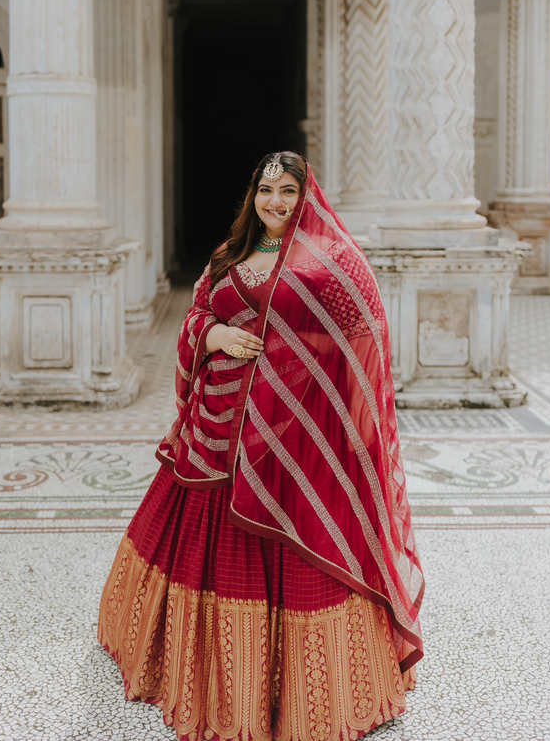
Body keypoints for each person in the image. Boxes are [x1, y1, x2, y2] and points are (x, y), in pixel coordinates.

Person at [98, 151, 424, 741]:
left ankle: (291, 689)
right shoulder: (230, 255)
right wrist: (214, 332)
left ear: (308, 197)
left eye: (288, 191)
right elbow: (196, 312)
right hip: (214, 436)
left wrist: (316, 396)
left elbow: (362, 338)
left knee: (294, 547)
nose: (275, 202)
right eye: (266, 190)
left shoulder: (331, 263)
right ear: (253, 196)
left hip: (291, 442)